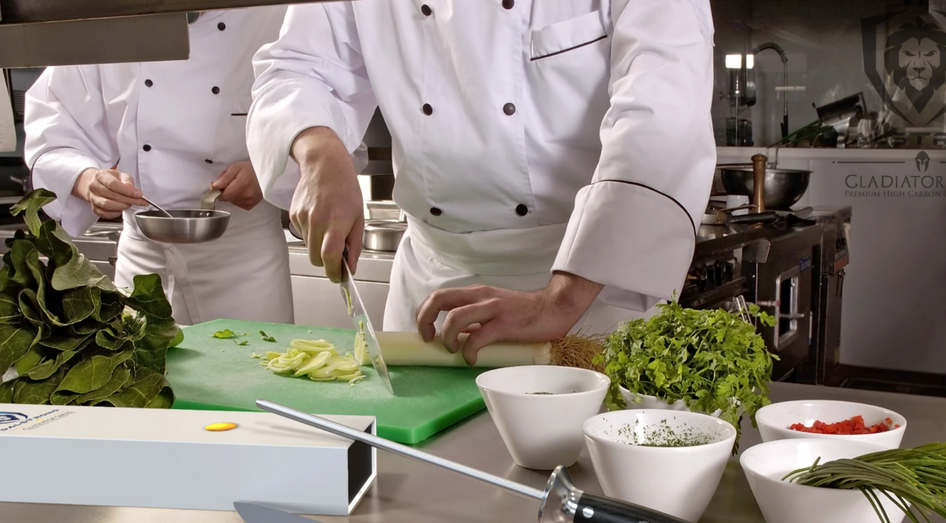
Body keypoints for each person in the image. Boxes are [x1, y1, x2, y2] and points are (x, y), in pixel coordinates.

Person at [246, 1, 715, 364]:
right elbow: (297, 67)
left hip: (594, 289)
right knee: (428, 478)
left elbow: (661, 117)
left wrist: (559, 302)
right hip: (433, 287)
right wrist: (318, 151)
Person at [24, 9, 294, 325]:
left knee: (252, 369)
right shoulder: (108, 15)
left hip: (245, 264)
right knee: (139, 370)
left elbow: (326, 127)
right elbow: (55, 128)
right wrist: (87, 180)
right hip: (141, 262)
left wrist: (272, 170)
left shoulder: (279, 12)